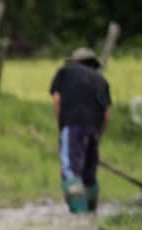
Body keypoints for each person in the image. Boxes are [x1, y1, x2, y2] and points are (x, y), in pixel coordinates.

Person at [50, 47, 112, 213]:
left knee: (71, 170)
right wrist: (98, 138)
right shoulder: (101, 80)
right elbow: (107, 114)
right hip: (94, 127)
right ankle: (91, 213)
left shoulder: (65, 72)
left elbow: (57, 100)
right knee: (89, 173)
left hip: (72, 124)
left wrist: (61, 128)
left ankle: (79, 216)